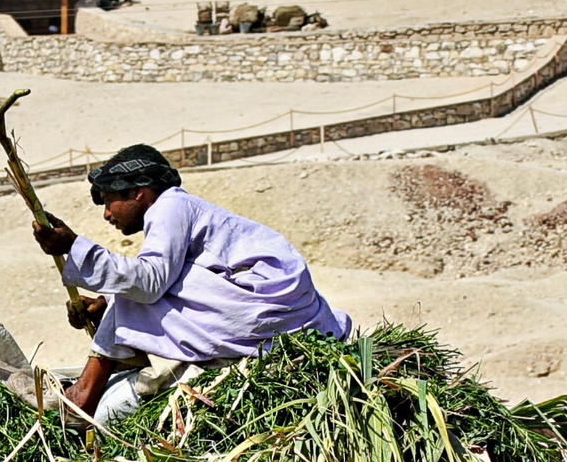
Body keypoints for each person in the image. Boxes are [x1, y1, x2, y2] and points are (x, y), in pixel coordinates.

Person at [32, 143, 351, 422]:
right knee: (135, 286)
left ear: (138, 192)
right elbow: (169, 279)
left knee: (138, 288)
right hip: (280, 314)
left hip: (262, 307)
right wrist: (104, 304)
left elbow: (149, 283)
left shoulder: (170, 204)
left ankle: (82, 396)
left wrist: (73, 247)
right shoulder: (181, 209)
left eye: (109, 201)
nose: (106, 215)